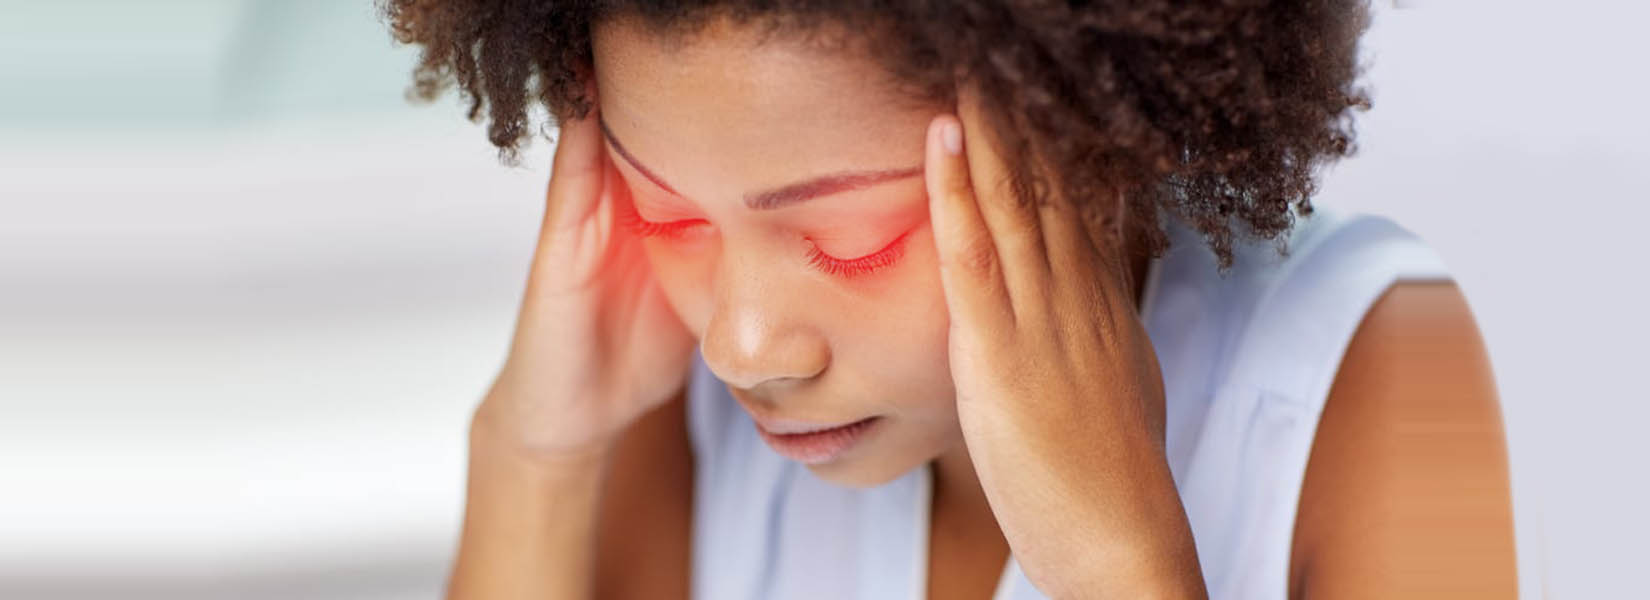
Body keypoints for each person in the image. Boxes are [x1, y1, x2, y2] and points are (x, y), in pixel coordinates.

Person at [383, 1, 1518, 598]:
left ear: (1088, 137)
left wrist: (1119, 573)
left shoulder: (1383, 377)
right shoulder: (673, 412)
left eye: (853, 238)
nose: (742, 343)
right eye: (672, 219)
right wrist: (530, 454)